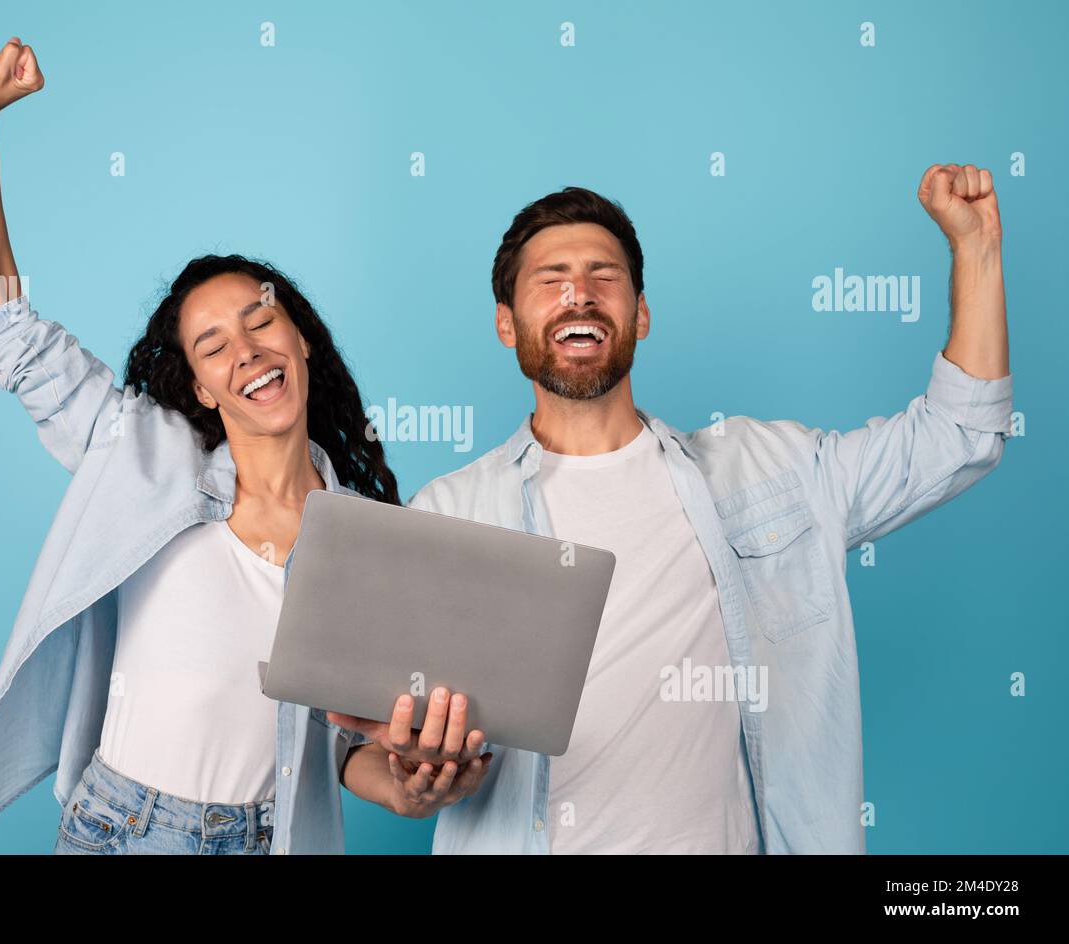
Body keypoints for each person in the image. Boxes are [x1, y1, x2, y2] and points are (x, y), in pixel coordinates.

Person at [366, 170, 1012, 853]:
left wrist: (979, 248)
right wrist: (418, 770)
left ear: (641, 313)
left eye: (602, 275)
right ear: (507, 324)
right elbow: (369, 733)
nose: (578, 293)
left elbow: (958, 437)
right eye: (550, 278)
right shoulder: (448, 514)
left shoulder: (769, 470)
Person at [0, 37, 489, 855]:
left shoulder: (364, 535)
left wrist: (413, 790)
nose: (246, 352)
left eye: (261, 321)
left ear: (301, 339)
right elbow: (2, 327)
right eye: (212, 345)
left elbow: (344, 748)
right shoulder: (142, 450)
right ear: (201, 387)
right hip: (119, 828)